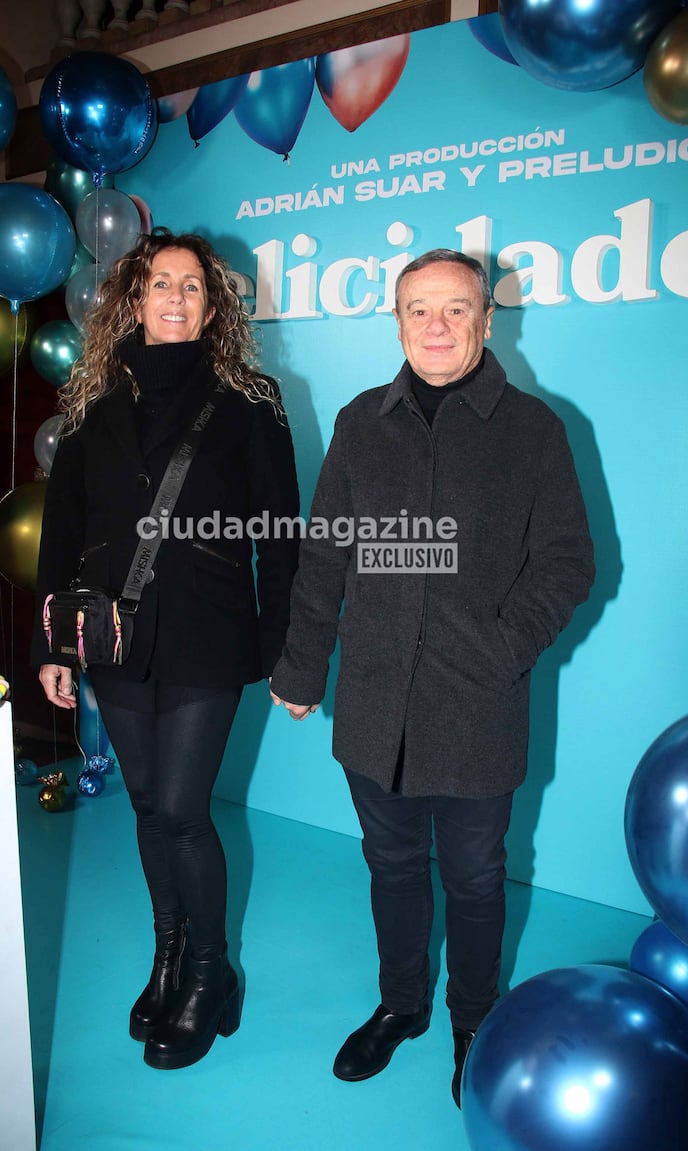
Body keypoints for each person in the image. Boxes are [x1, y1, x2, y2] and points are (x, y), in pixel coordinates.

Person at [269, 249, 594, 1107]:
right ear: (398, 320)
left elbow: (567, 562)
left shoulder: (534, 430)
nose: (437, 326)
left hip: (479, 707)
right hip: (374, 703)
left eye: (456, 308)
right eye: (419, 309)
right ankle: (402, 1004)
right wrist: (302, 665)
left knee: (477, 877)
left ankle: (474, 1020)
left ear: (487, 320)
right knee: (390, 865)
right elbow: (324, 556)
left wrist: (500, 648)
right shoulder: (358, 422)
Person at [33, 228, 300, 1071]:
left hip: (209, 634)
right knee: (149, 809)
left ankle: (210, 974)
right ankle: (170, 955)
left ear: (211, 306)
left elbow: (282, 537)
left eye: (191, 286)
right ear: (133, 301)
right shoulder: (92, 406)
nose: (175, 297)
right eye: (160, 285)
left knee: (183, 810)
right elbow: (61, 532)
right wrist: (56, 648)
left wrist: (281, 646)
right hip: (112, 640)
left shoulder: (250, 400)